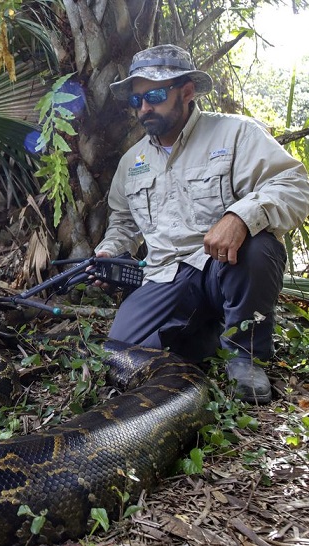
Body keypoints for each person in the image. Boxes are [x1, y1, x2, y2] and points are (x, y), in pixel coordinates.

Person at [96, 44, 309, 404]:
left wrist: (240, 217)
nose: (145, 108)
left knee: (259, 246)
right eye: (137, 101)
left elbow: (293, 185)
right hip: (165, 275)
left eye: (156, 96)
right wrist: (109, 250)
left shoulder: (236, 134)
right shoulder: (133, 161)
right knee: (118, 354)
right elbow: (123, 221)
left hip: (224, 265)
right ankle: (205, 338)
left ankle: (246, 356)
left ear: (187, 92)